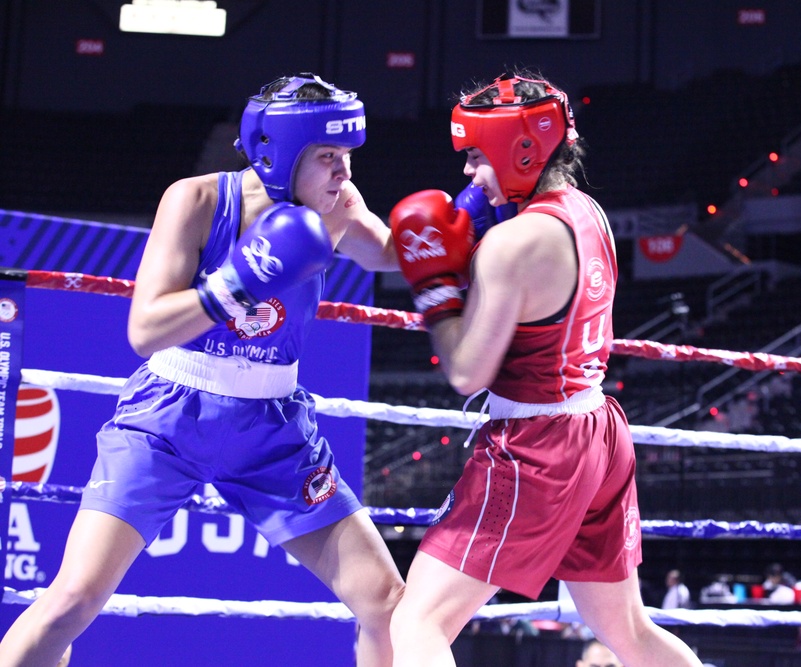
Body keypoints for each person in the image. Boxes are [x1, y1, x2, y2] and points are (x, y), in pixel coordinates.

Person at [0, 73, 405, 667]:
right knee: (73, 599)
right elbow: (144, 330)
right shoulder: (196, 201)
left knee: (386, 602)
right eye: (327, 156)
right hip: (169, 416)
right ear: (280, 153)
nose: (344, 172)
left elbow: (392, 253)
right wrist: (236, 285)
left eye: (346, 156)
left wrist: (464, 225)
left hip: (274, 431)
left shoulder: (339, 206)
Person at [385, 69, 702, 667]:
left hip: (534, 445)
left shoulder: (514, 243)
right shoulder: (588, 214)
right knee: (628, 632)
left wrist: (434, 288)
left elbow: (466, 371)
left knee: (418, 622)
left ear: (518, 151)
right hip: (598, 430)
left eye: (477, 156)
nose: (467, 172)